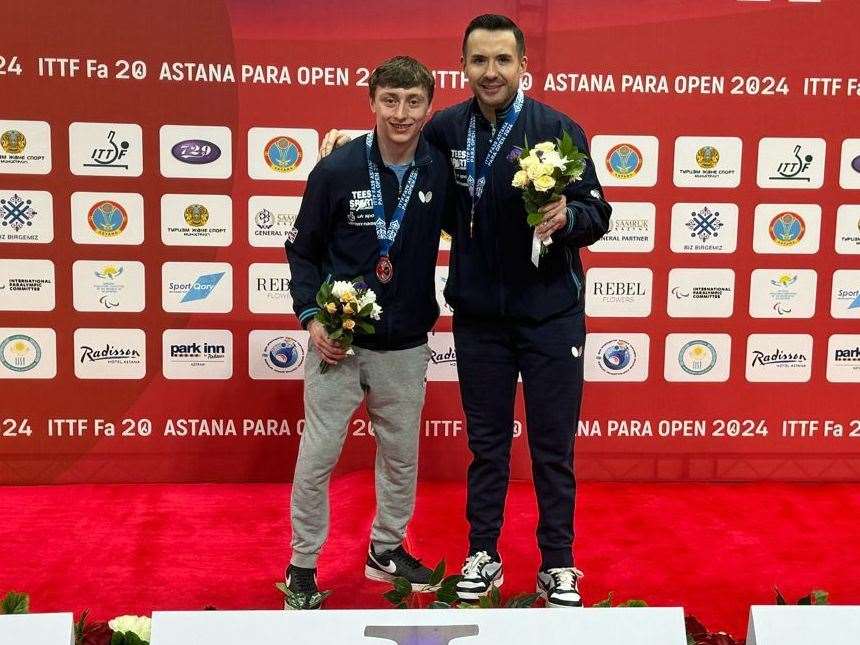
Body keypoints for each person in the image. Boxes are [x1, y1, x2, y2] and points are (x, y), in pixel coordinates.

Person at [322, 14, 612, 609]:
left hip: (552, 315)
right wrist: (346, 145)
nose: (491, 72)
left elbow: (598, 214)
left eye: (503, 60)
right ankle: (484, 551)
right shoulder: (446, 128)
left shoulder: (557, 131)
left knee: (552, 447)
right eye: (479, 61)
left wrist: (568, 219)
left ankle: (558, 562)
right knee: (487, 444)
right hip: (480, 318)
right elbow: (393, 153)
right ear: (464, 66)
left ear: (524, 66)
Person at [283, 55, 450, 610]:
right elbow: (302, 251)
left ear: (429, 106)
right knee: (319, 456)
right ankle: (303, 565)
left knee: (401, 457)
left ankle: (386, 548)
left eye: (413, 102)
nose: (401, 114)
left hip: (404, 345)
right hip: (340, 341)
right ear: (371, 102)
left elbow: (480, 229)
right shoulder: (337, 169)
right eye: (390, 100)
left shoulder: (439, 170)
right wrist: (311, 319)